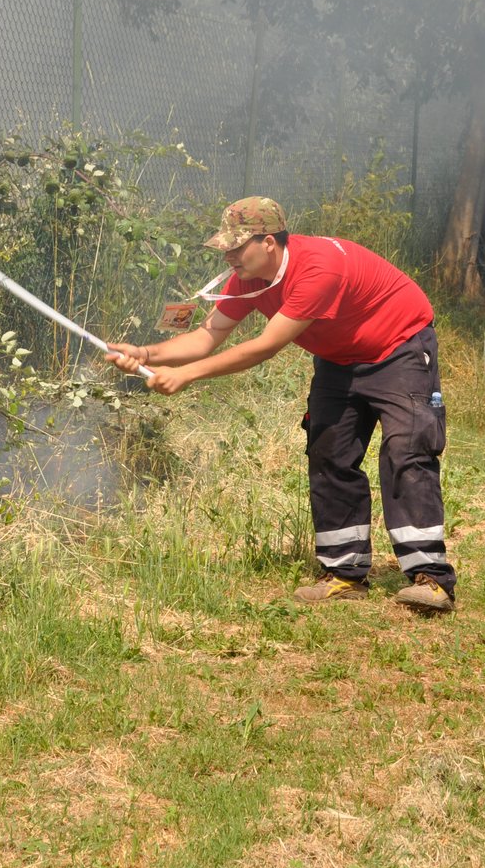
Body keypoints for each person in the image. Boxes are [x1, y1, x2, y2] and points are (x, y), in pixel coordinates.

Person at [106, 196, 457, 613]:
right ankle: (344, 574)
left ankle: (430, 578)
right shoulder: (247, 278)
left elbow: (264, 347)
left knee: (407, 450)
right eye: (226, 247)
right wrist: (146, 355)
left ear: (269, 242)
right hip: (338, 358)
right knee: (329, 452)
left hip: (399, 345)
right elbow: (205, 336)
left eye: (238, 247)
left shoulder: (318, 268)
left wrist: (187, 375)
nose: (229, 255)